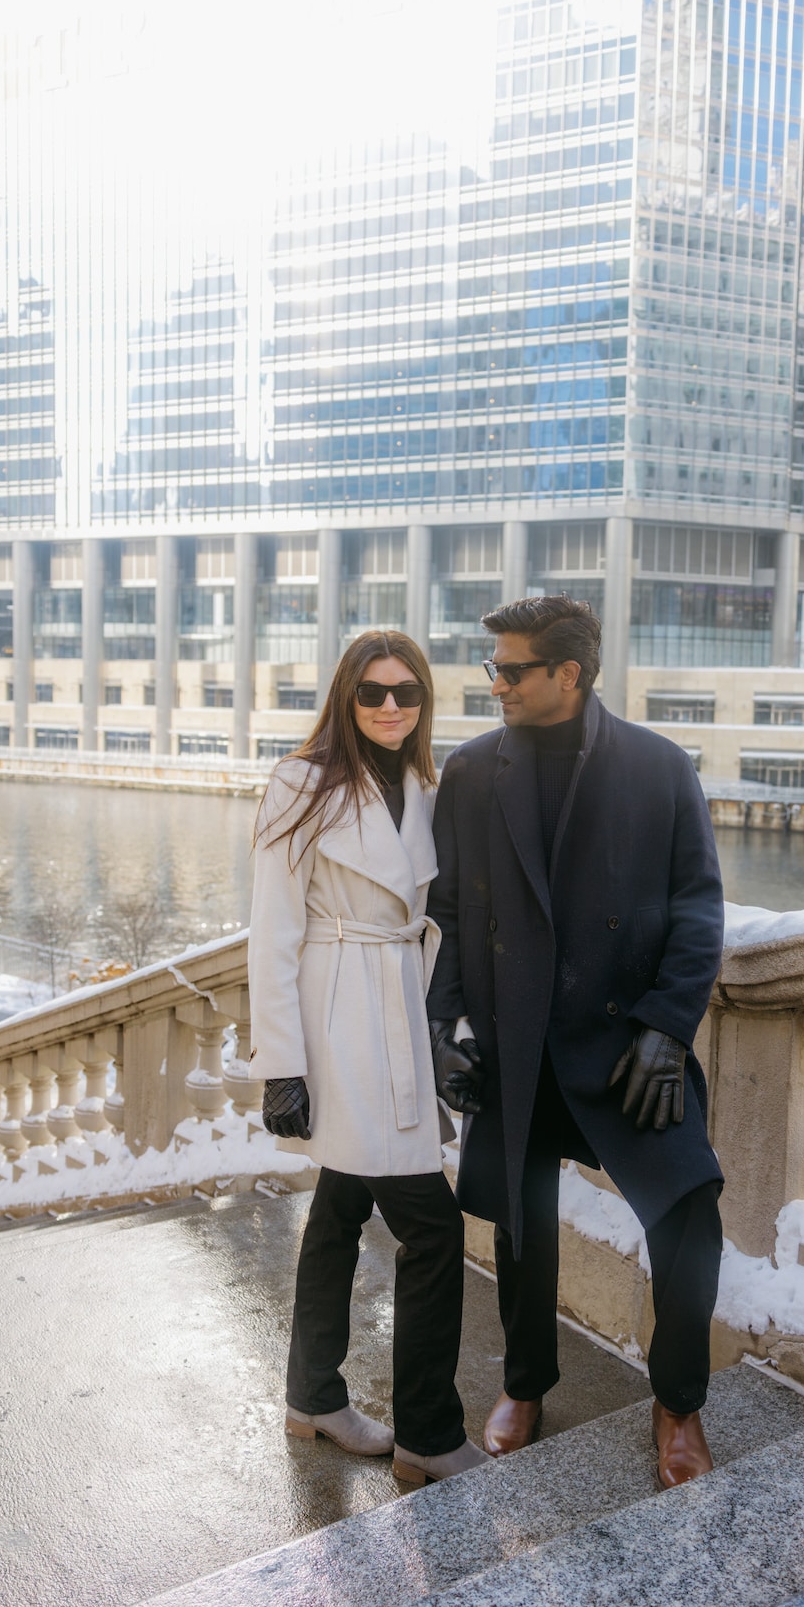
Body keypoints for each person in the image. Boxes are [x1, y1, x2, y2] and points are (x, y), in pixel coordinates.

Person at [426, 595, 725, 1489]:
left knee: (689, 1212)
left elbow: (698, 909)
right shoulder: (471, 772)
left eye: (511, 670)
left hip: (626, 1040)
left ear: (570, 673)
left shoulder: (659, 767)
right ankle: (525, 1383)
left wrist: (667, 1026)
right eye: (492, 668)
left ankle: (679, 1401)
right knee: (522, 1224)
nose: (496, 685)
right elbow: (451, 913)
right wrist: (445, 1025)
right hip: (514, 1037)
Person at [248, 629, 486, 1487]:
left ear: (424, 700)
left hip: (401, 1006)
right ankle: (428, 1432)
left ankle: (313, 1397)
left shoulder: (426, 786)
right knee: (434, 1228)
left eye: (407, 691)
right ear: (345, 698)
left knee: (341, 1206)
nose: (391, 706)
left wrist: (449, 1029)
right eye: (373, 692)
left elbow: (439, 914)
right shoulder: (299, 784)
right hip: (339, 1014)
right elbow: (273, 933)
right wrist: (283, 1065)